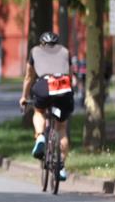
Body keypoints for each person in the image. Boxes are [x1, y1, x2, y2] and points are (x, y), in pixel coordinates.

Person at [19, 31, 74, 181]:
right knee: (62, 128)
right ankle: (61, 167)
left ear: (41, 43)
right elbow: (70, 75)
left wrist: (24, 97)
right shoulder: (65, 51)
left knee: (39, 111)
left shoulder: (35, 51)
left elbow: (29, 77)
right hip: (64, 86)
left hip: (44, 85)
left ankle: (40, 137)